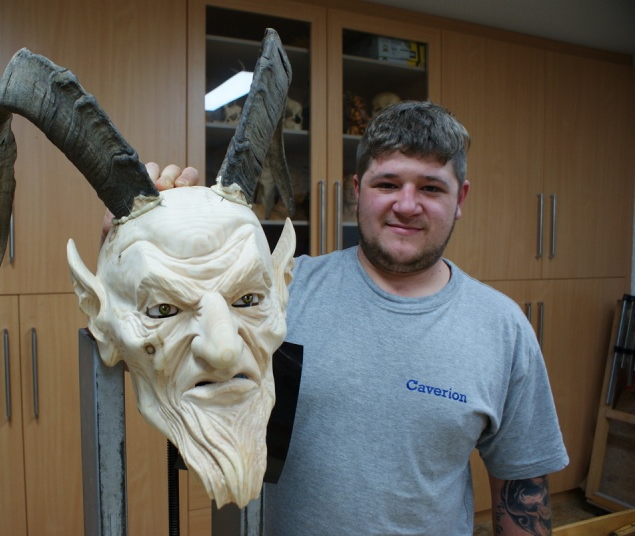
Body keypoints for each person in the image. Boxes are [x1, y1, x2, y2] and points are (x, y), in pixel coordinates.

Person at [115, 101, 569, 535]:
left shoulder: (501, 328)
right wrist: (133, 244)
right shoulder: (275, 294)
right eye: (387, 184)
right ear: (357, 191)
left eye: (431, 188)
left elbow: (522, 486)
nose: (407, 205)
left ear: (460, 197)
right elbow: (158, 331)